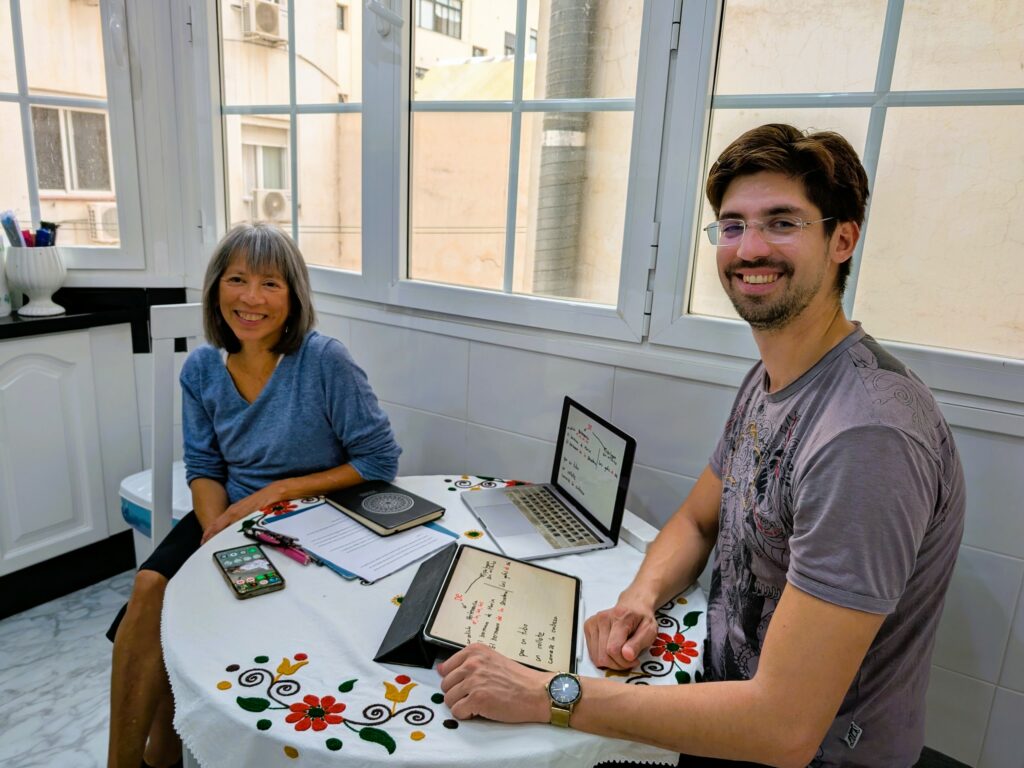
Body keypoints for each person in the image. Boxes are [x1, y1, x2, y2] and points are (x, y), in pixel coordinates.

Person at [437, 124, 966, 767]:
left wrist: (551, 693)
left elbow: (784, 729)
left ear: (842, 239)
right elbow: (698, 517)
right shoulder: (774, 378)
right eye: (733, 226)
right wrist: (639, 599)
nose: (751, 248)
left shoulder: (867, 436)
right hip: (719, 703)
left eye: (782, 222)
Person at [107, 223, 401, 768]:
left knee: (204, 609)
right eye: (237, 279)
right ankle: (140, 757)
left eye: (270, 284)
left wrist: (275, 492)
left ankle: (165, 748)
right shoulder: (200, 369)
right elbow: (204, 466)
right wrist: (216, 534)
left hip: (316, 518)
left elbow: (379, 460)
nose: (251, 298)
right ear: (216, 288)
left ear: (294, 296)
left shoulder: (324, 361)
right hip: (231, 514)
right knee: (150, 586)